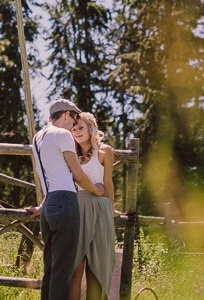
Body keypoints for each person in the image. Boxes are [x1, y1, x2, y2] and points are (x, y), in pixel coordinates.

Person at [31, 99, 106, 300]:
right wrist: (97, 190)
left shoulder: (37, 137)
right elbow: (78, 175)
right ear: (66, 114)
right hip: (66, 204)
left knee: (50, 266)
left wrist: (42, 206)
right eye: (73, 120)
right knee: (62, 269)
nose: (73, 126)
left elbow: (47, 176)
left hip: (49, 207)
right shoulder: (62, 134)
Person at [69, 112, 116, 300]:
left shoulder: (105, 151)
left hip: (100, 210)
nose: (76, 131)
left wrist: (111, 210)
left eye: (80, 127)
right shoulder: (70, 154)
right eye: (73, 129)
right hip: (78, 209)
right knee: (75, 267)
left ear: (90, 128)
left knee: (96, 266)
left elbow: (108, 183)